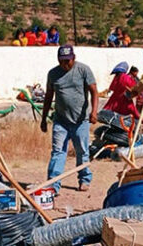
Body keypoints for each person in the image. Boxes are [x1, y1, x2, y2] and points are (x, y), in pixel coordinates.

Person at [40, 45, 99, 193]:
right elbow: (48, 96)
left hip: (81, 121)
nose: (65, 64)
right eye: (62, 61)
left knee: (82, 151)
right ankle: (54, 184)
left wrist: (94, 112)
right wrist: (43, 118)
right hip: (61, 120)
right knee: (58, 152)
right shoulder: (53, 74)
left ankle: (84, 180)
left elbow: (94, 92)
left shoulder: (83, 70)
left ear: (74, 58)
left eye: (68, 61)